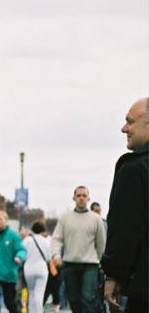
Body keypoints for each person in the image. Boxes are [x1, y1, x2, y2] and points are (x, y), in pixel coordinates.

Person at [101, 97, 148, 313]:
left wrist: (113, 274)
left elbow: (125, 230)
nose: (124, 128)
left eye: (130, 121)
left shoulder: (135, 170)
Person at [51, 185, 107, 313]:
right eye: (79, 195)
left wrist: (103, 265)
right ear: (74, 198)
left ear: (88, 198)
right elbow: (56, 239)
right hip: (70, 264)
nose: (81, 198)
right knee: (73, 299)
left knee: (88, 297)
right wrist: (56, 255)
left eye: (84, 196)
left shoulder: (96, 219)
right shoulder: (65, 218)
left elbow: (101, 244)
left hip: (90, 265)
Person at [0, 211, 27, 312]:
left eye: (0, 219)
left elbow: (22, 250)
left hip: (8, 274)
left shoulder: (13, 236)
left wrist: (19, 257)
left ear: (6, 220)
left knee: (10, 302)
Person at [23, 220, 52, 313]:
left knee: (31, 293)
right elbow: (49, 257)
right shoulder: (46, 241)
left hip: (28, 268)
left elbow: (22, 253)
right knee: (39, 293)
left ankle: (31, 311)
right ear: (43, 229)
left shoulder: (27, 240)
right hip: (41, 268)